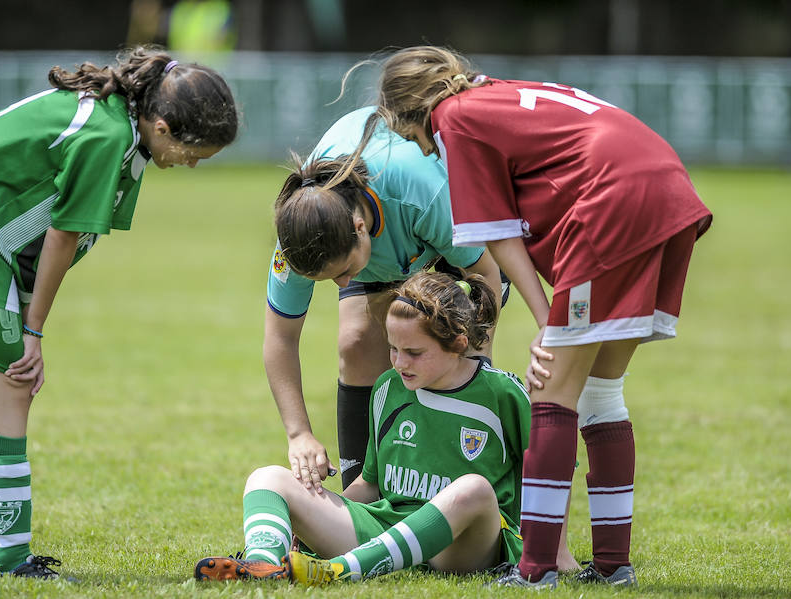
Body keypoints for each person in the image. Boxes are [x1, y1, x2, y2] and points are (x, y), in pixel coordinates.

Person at [355, 46, 713, 589]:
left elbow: (497, 233)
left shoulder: (454, 118)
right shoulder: (491, 92)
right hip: (668, 188)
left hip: (616, 202)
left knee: (550, 395)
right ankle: (614, 565)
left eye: (410, 137)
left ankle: (537, 568)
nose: (421, 148)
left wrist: (547, 319)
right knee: (600, 392)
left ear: (412, 113)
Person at [0, 46, 237, 579]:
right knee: (13, 384)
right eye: (195, 152)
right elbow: (63, 235)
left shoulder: (119, 125)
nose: (194, 165)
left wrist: (25, 316)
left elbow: (49, 230)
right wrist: (32, 330)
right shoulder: (108, 136)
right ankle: (10, 560)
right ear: (161, 126)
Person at [196, 271, 530, 585]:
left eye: (413, 352)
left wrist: (551, 553)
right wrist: (315, 515)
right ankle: (264, 566)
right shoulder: (388, 387)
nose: (399, 362)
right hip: (388, 528)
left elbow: (545, 476)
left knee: (473, 489)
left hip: (463, 546)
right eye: (393, 349)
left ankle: (339, 571)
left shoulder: (502, 393)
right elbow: (370, 484)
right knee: (267, 478)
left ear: (458, 344)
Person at [264, 106, 505, 494]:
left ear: (360, 228)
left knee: (438, 353)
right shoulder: (299, 229)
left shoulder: (419, 190)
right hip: (393, 247)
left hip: (462, 240)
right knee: (356, 343)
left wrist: (474, 371)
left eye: (343, 272)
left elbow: (486, 274)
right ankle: (362, 499)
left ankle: (453, 492)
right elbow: (280, 337)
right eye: (328, 280)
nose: (341, 284)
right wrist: (299, 434)